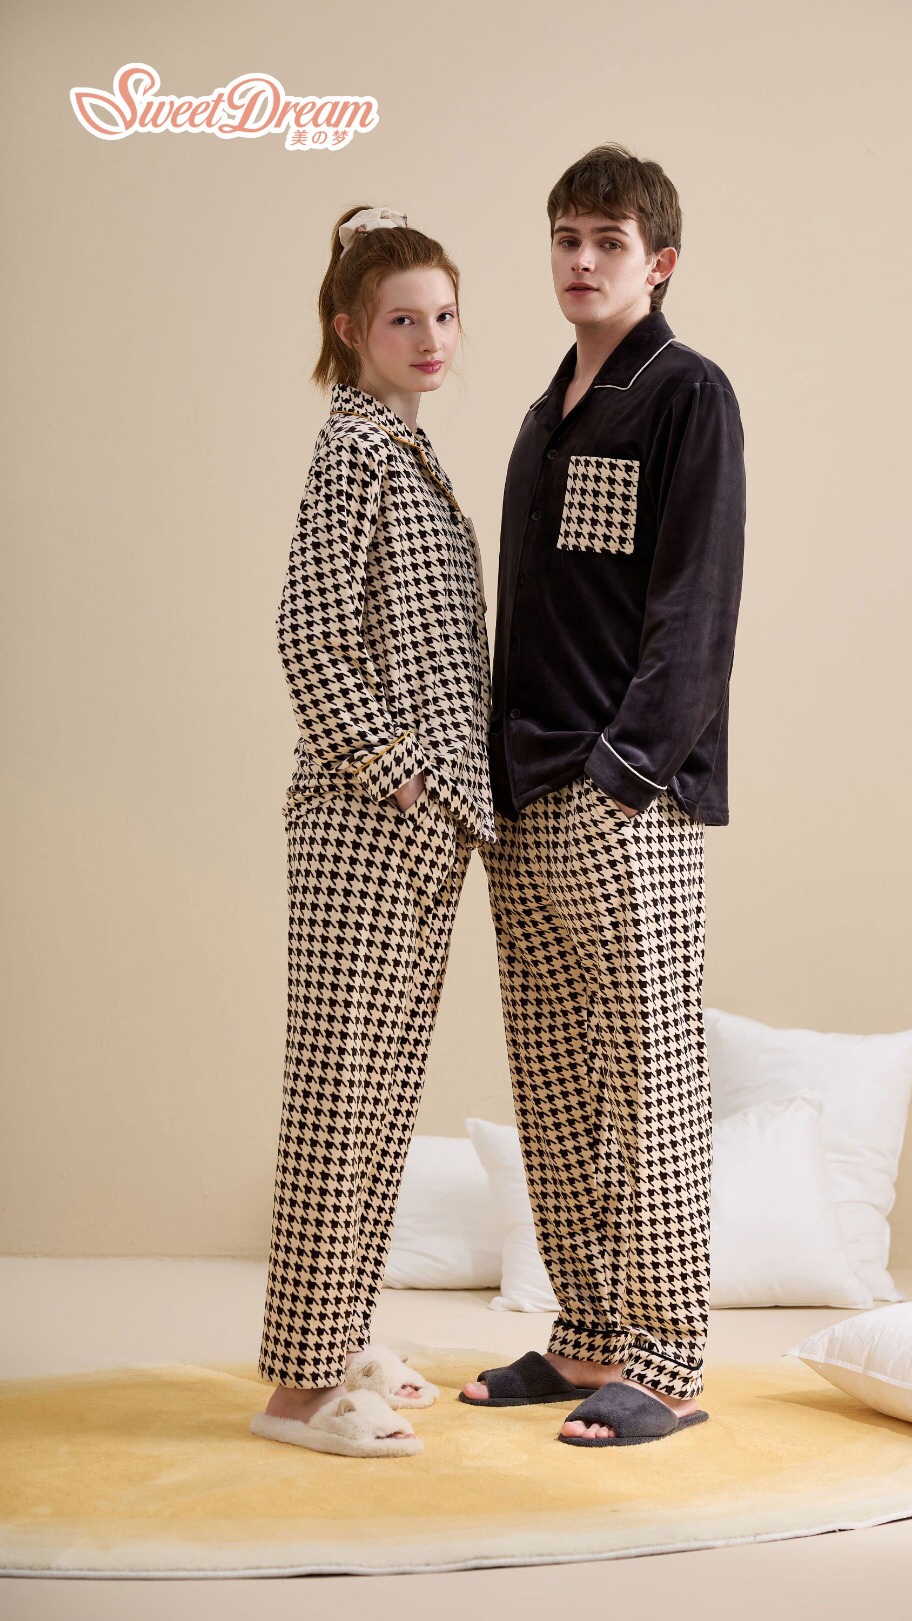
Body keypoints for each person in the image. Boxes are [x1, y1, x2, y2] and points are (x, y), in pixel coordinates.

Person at [461, 145, 746, 1447]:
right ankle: (585, 1337)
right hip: (524, 797)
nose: (582, 260)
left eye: (609, 242)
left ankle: (668, 1363)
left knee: (651, 1085)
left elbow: (696, 606)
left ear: (658, 262)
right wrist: (508, 780)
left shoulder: (686, 395)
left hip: (626, 800)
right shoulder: (543, 416)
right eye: (567, 237)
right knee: (558, 1085)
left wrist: (622, 777)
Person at [251, 205, 496, 1459]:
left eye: (445, 315)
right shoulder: (353, 445)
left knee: (381, 1094)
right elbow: (308, 634)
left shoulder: (404, 445)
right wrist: (405, 779)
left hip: (420, 825)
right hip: (368, 823)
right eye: (405, 319)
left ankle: (337, 1339)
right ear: (351, 330)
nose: (431, 337)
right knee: (341, 1099)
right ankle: (297, 1394)